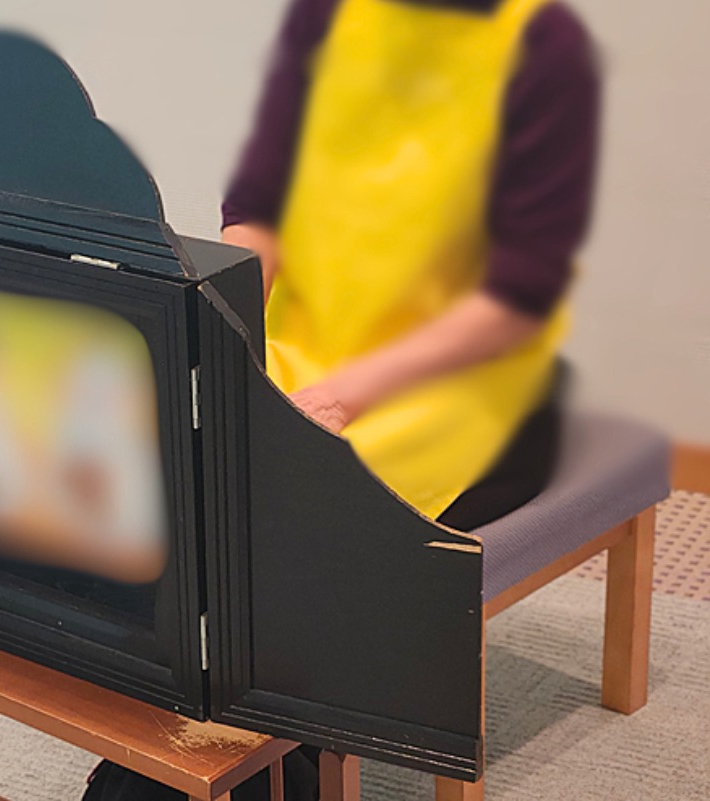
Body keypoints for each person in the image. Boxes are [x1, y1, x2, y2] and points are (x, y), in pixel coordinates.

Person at [82, 0, 599, 797]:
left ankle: (265, 757)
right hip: (311, 344)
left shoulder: (543, 41)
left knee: (295, 513)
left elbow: (517, 293)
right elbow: (259, 209)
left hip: (463, 382)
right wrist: (219, 331)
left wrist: (343, 395)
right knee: (180, 461)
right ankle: (179, 738)